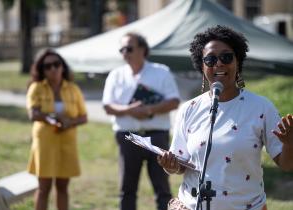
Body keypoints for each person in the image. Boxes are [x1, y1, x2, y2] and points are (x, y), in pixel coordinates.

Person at [157, 25, 293, 210]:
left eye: (226, 57)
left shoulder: (261, 107)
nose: (218, 64)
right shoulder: (189, 109)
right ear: (202, 66)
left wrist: (289, 144)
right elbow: (181, 164)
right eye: (210, 59)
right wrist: (170, 166)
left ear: (238, 62)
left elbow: (286, 164)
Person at [102, 32, 180, 210]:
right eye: (122, 49)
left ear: (143, 49)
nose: (125, 52)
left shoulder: (161, 71)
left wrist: (149, 109)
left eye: (129, 48)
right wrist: (130, 110)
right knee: (127, 188)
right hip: (128, 137)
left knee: (162, 188)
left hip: (157, 136)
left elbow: (174, 101)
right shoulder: (115, 75)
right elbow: (107, 106)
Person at [26, 48, 88, 210]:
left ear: (63, 66)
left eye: (56, 64)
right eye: (48, 66)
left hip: (67, 143)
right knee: (43, 188)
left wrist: (70, 122)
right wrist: (51, 119)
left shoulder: (73, 88)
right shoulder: (36, 88)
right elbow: (33, 113)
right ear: (42, 70)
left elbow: (84, 117)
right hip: (45, 143)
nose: (53, 69)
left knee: (62, 187)